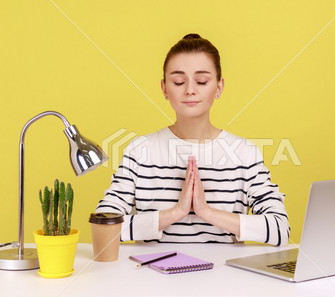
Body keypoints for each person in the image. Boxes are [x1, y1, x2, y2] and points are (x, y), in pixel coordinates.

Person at [96, 33, 290, 246]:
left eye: (201, 81)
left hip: (225, 278)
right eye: (179, 81)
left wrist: (206, 211)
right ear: (164, 89)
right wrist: (175, 212)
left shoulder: (245, 153)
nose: (190, 90)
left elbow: (279, 229)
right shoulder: (139, 150)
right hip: (150, 275)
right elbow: (103, 226)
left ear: (219, 87)